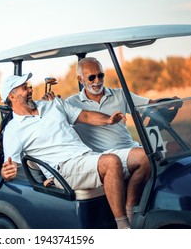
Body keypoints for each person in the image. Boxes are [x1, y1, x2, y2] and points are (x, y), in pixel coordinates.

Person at [0, 72, 135, 229]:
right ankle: (124, 226)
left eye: (29, 86)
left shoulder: (52, 104)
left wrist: (108, 120)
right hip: (62, 170)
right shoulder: (13, 130)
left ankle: (134, 212)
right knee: (111, 161)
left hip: (86, 156)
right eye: (24, 88)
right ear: (13, 97)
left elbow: (84, 115)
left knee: (142, 157)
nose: (30, 90)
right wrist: (6, 173)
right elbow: (11, 167)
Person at [64, 57, 155, 222]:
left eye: (101, 75)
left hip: (129, 148)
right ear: (80, 79)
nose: (97, 81)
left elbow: (150, 105)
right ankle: (130, 212)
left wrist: (169, 103)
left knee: (173, 148)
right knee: (145, 157)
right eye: (92, 77)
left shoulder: (119, 94)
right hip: (105, 155)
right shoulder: (72, 103)